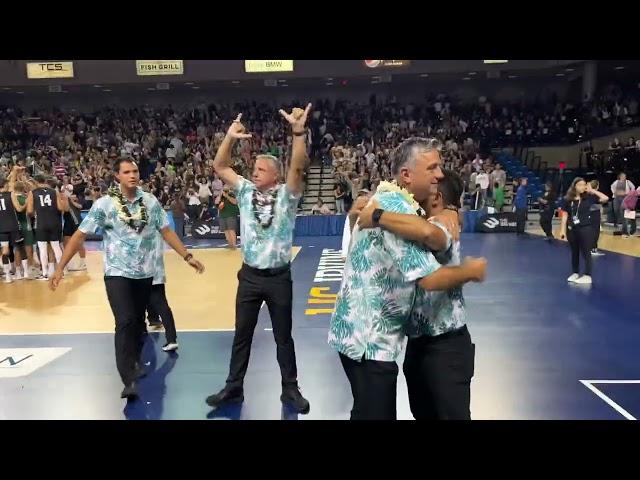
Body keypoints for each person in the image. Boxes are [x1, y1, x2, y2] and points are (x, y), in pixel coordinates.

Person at [328, 138, 486, 420]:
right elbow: (429, 267)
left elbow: (431, 231)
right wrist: (471, 271)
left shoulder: (389, 202)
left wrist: (450, 210)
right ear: (406, 175)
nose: (439, 174)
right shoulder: (396, 209)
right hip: (371, 343)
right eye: (433, 168)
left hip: (370, 337)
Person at [49, 158, 205, 400]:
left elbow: (166, 231)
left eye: (135, 171)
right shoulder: (105, 205)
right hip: (117, 273)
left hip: (144, 274)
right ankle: (128, 379)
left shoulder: (150, 201)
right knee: (124, 321)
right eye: (126, 172)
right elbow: (79, 235)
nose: (132, 175)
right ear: (117, 177)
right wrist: (60, 267)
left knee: (139, 323)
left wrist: (187, 256)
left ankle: (134, 362)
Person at [206, 106, 312, 414]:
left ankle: (290, 389)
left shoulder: (287, 194)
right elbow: (220, 164)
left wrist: (297, 132)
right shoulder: (244, 191)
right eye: (254, 168)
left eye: (262, 169)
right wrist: (229, 136)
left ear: (276, 176)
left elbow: (297, 166)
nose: (255, 172)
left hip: (278, 277)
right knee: (242, 334)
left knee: (283, 338)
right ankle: (234, 387)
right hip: (250, 276)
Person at [359, 169, 476, 419]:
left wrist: (378, 213)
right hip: (419, 344)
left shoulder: (439, 226)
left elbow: (426, 237)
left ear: (436, 199)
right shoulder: (436, 219)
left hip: (446, 348)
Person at [559, 178, 609, 285]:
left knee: (586, 252)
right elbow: (565, 215)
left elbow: (605, 198)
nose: (582, 187)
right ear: (575, 186)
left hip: (585, 228)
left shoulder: (589, 198)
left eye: (584, 185)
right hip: (572, 229)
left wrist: (593, 190)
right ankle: (575, 272)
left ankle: (587, 275)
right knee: (574, 252)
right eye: (580, 185)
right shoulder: (568, 199)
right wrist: (562, 230)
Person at [26, 174, 68, 279]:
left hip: (41, 222)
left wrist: (37, 211)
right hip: (54, 222)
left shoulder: (32, 193)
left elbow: (30, 210)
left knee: (43, 248)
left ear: (36, 181)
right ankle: (61, 272)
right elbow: (60, 207)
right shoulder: (54, 192)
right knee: (56, 247)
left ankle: (45, 274)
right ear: (45, 180)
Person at [146, 231, 179, 352]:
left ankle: (141, 331)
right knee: (162, 304)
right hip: (156, 269)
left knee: (136, 304)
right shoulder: (157, 218)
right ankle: (171, 339)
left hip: (138, 271)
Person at [0, 177, 29, 283]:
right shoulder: (10, 194)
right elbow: (19, 208)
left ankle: (8, 276)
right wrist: (26, 202)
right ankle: (25, 273)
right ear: (4, 185)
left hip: (2, 228)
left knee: (5, 251)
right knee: (20, 248)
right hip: (13, 226)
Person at [62, 192, 87, 271]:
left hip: (76, 223)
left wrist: (70, 200)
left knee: (79, 244)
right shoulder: (62, 199)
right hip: (68, 223)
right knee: (65, 243)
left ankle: (83, 263)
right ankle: (70, 263)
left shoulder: (74, 202)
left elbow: (79, 206)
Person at [215, 185, 240, 249]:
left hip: (231, 214)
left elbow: (235, 202)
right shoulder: (221, 196)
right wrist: (220, 196)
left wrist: (227, 196)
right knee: (225, 230)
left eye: (226, 189)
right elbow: (216, 202)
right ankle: (230, 244)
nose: (225, 190)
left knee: (231, 230)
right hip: (222, 215)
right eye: (224, 189)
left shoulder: (232, 194)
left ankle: (234, 245)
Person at [589, 180, 604, 255]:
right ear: (597, 186)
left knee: (592, 232)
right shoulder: (595, 195)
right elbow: (604, 199)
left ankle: (590, 248)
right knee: (595, 232)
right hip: (594, 215)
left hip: (591, 215)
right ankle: (593, 249)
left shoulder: (588, 194)